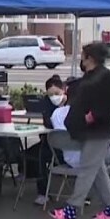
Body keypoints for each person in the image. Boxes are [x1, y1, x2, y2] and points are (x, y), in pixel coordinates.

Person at [49, 42, 110, 219]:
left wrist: (93, 116)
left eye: (83, 55)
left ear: (90, 57)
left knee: (87, 169)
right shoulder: (91, 76)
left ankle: (72, 209)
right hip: (87, 129)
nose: (81, 58)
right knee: (97, 169)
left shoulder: (106, 77)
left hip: (98, 130)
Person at [27, 75, 64, 206]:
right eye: (50, 94)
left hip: (69, 145)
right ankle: (43, 193)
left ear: (63, 90)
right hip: (51, 142)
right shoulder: (47, 103)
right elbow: (47, 122)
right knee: (39, 154)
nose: (54, 97)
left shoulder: (73, 102)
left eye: (57, 93)